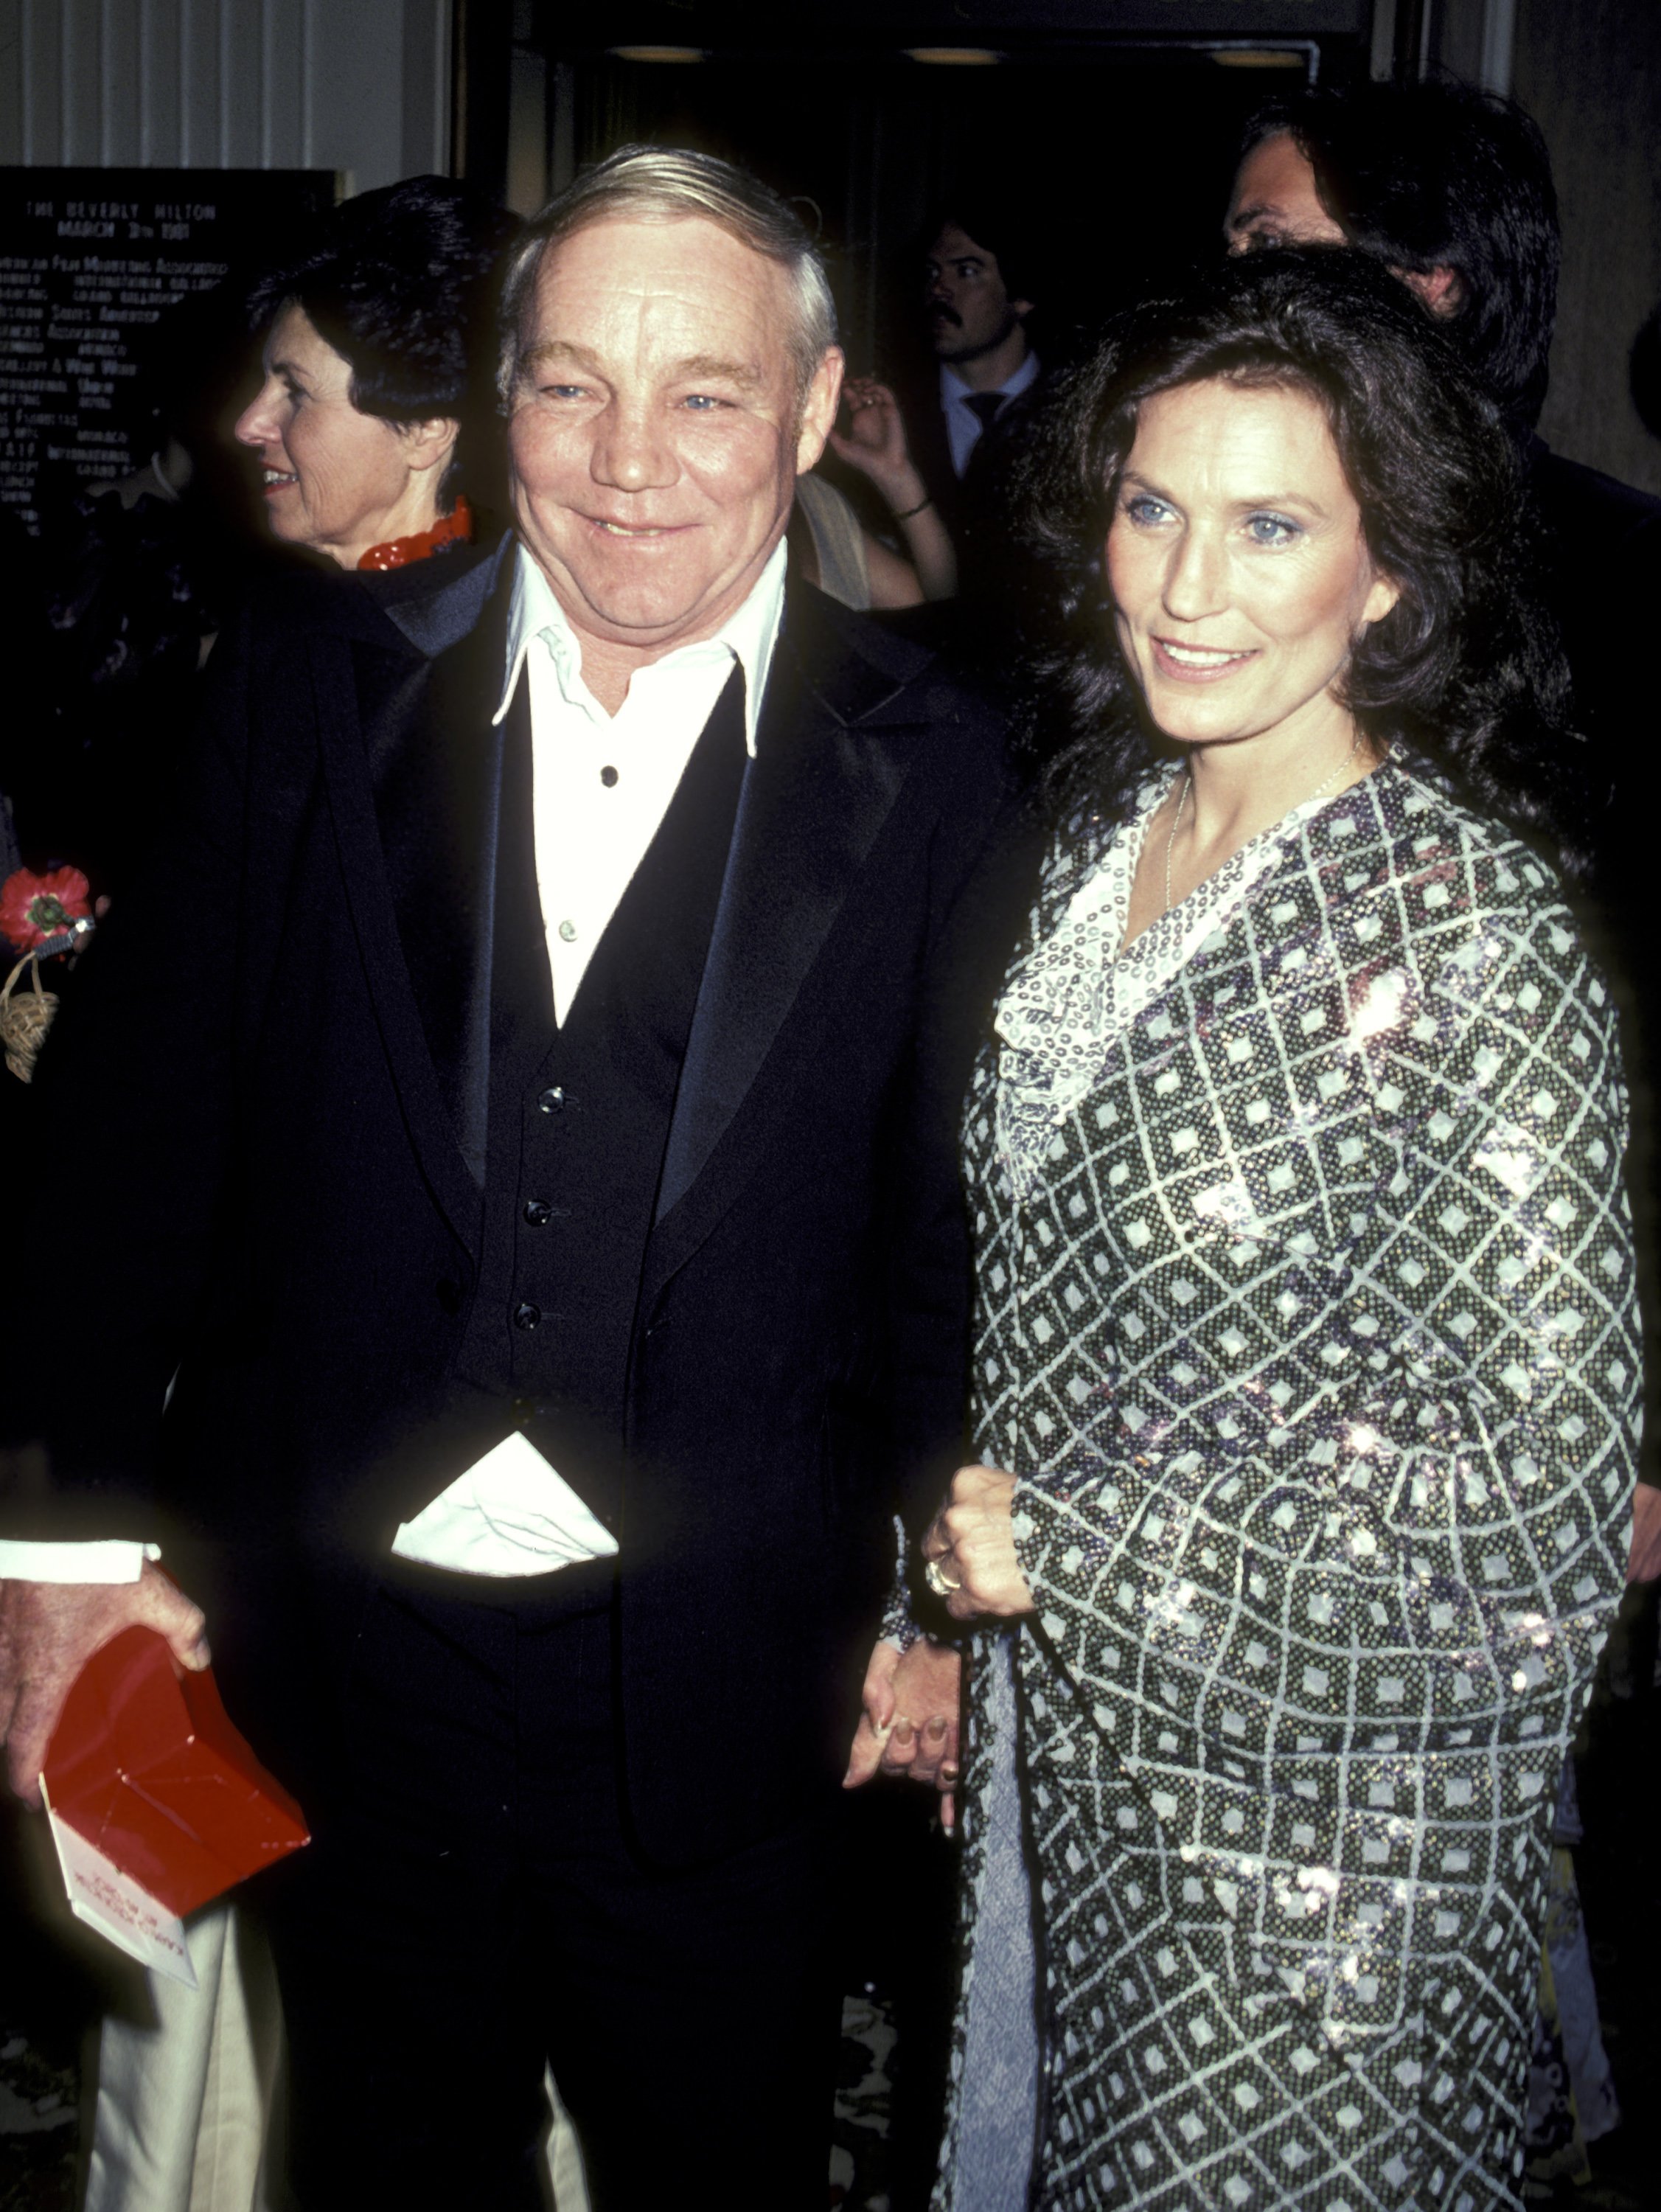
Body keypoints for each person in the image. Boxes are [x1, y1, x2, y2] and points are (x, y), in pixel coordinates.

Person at [0, 145, 1007, 2209]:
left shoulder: (948, 760)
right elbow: (131, 1139)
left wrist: (934, 1604)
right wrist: (61, 1558)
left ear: (811, 413)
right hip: (337, 1664)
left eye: (705, 394)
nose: (633, 464)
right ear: (504, 395)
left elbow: (949, 1238)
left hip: (735, 1690)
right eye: (572, 386)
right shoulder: (305, 684)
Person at [905, 250, 1637, 2208]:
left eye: (1267, 526)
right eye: (1151, 509)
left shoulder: (1465, 933)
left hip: (1321, 1902)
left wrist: (1075, 1534)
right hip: (1071, 1787)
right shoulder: (1101, 840)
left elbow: (1535, 1510)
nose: (1183, 586)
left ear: (1385, 571)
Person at [1223, 72, 1661, 1561]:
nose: (1230, 293)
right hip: (1215, 1356)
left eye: (1269, 244)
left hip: (1511, 1371)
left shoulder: (1621, 587)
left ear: (1429, 284)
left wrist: (1641, 1420)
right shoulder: (1187, 583)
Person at [233, 174, 518, 571]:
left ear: (424, 430)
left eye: (296, 391)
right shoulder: (271, 609)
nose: (248, 425)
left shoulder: (489, 623)